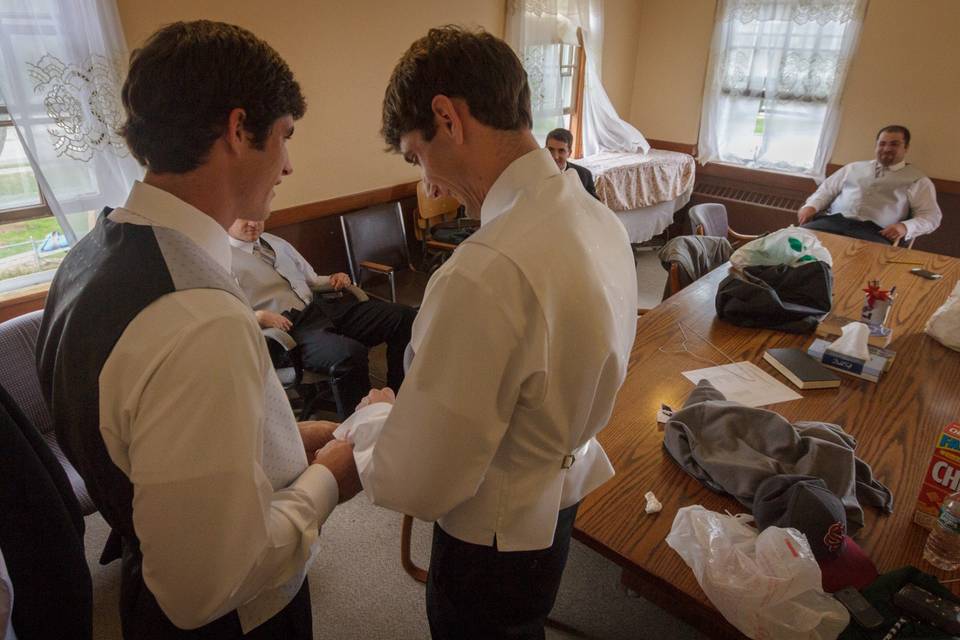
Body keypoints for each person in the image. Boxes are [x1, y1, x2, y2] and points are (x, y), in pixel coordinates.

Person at [35, 21, 360, 639]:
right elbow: (205, 584)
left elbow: (148, 440)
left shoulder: (89, 256)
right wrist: (329, 478)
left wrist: (282, 442)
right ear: (239, 130)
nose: (289, 165)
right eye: (285, 137)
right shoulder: (199, 317)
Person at [337, 26, 637, 639]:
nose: (430, 184)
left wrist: (374, 418)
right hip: (558, 499)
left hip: (491, 536)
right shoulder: (599, 218)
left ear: (447, 118)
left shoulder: (484, 273)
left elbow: (421, 480)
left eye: (417, 156)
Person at [228, 217, 415, 411]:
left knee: (403, 317)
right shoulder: (222, 259)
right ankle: (362, 423)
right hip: (288, 327)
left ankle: (398, 397)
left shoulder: (276, 242)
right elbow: (229, 313)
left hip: (321, 309)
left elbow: (313, 280)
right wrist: (258, 316)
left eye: (258, 217)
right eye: (245, 219)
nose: (253, 224)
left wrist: (334, 278)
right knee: (349, 354)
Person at [798, 125, 942, 245]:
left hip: (875, 233)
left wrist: (905, 227)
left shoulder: (918, 180)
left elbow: (931, 217)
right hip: (831, 223)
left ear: (906, 147)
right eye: (882, 143)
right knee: (793, 242)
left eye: (894, 144)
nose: (886, 149)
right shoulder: (852, 168)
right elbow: (826, 191)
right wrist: (811, 206)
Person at [545, 127, 599, 200]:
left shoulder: (584, 175)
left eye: (561, 151)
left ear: (569, 153)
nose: (555, 156)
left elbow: (594, 206)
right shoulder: (534, 173)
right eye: (551, 149)